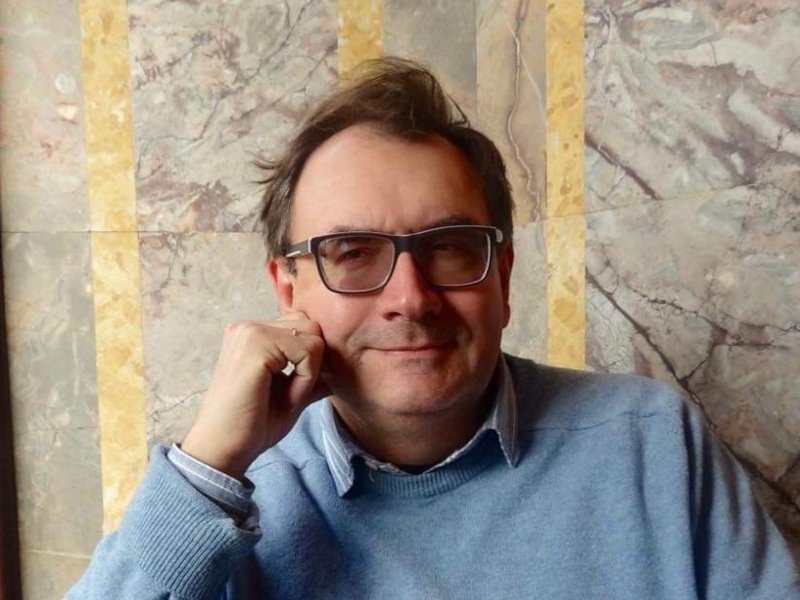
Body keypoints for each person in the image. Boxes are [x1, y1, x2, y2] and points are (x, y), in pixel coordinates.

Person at [67, 58, 798, 599]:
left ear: (502, 277)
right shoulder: (224, 500)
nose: (411, 299)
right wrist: (206, 470)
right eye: (352, 253)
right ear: (288, 289)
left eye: (449, 247)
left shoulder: (653, 445)